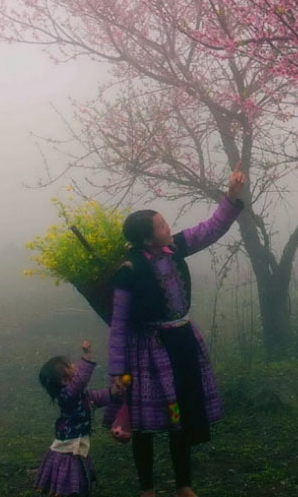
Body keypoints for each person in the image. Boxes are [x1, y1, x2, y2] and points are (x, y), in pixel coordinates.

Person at [106, 165, 246, 497]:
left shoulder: (175, 249)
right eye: (161, 225)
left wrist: (231, 195)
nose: (169, 228)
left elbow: (210, 229)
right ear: (146, 238)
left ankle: (184, 484)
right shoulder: (129, 272)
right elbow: (119, 324)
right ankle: (147, 488)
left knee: (179, 415)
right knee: (143, 422)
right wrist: (117, 371)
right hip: (149, 350)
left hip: (181, 341)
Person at [35, 340, 112, 497]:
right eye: (70, 367)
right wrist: (87, 356)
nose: (75, 366)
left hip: (76, 443)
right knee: (70, 476)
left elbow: (96, 398)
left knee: (77, 475)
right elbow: (81, 380)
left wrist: (113, 394)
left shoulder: (77, 395)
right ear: (64, 381)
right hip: (69, 448)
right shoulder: (68, 396)